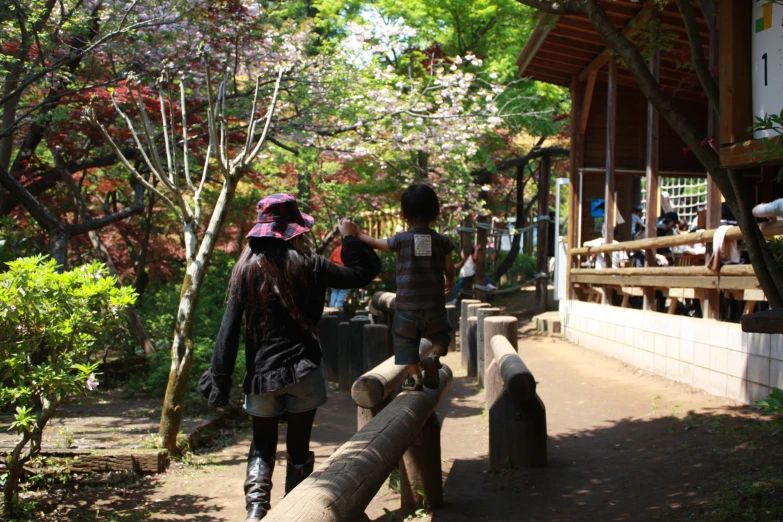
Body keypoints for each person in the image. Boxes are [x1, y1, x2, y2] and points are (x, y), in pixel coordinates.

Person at [198, 194, 380, 522]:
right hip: (304, 372)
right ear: (294, 231)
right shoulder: (310, 264)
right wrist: (349, 238)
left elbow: (227, 330)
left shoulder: (244, 268)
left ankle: (255, 513)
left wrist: (219, 378)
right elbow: (361, 273)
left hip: (261, 377)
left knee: (261, 447)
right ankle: (296, 514)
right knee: (298, 450)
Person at [355, 183, 454, 391]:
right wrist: (450, 281)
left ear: (404, 213)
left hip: (407, 307)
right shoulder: (442, 241)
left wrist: (356, 234)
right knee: (442, 335)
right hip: (435, 305)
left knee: (405, 340)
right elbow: (449, 268)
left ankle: (415, 376)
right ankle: (434, 356)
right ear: (435, 212)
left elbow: (375, 242)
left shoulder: (401, 240)